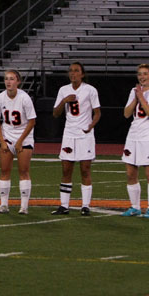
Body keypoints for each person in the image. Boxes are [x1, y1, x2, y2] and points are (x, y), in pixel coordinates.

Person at [51, 62, 101, 216]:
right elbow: (55, 113)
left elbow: (97, 112)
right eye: (71, 71)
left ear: (82, 74)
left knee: (85, 169)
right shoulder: (63, 90)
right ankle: (64, 205)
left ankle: (85, 206)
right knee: (66, 169)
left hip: (84, 134)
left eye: (76, 71)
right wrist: (64, 100)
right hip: (69, 134)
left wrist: (91, 125)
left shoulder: (90, 90)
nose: (73, 73)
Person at [121, 63, 149, 218]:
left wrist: (141, 98)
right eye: (140, 74)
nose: (142, 77)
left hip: (148, 137)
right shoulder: (133, 92)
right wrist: (135, 97)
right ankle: (134, 206)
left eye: (145, 74)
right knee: (130, 173)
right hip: (133, 135)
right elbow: (126, 114)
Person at [0, 69, 37, 215]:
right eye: (6, 79)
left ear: (18, 81)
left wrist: (20, 141)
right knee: (4, 171)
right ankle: (4, 204)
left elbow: (32, 121)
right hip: (7, 136)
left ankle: (24, 206)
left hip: (24, 137)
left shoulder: (24, 98)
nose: (8, 82)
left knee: (23, 171)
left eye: (12, 79)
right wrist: (2, 140)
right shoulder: (0, 98)